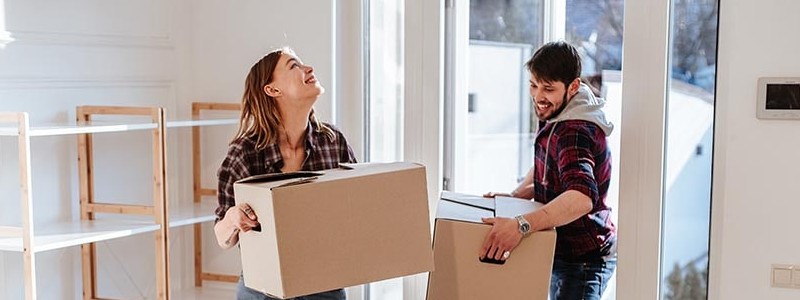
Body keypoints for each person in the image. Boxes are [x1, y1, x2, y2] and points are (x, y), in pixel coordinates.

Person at [214, 47, 356, 300]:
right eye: (294, 66)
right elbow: (222, 237)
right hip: (263, 289)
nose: (308, 69)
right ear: (272, 90)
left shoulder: (333, 142)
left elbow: (355, 207)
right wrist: (234, 219)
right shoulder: (245, 151)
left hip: (324, 287)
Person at [480, 41, 616, 300]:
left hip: (583, 262)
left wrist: (519, 225)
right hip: (559, 249)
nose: (538, 96)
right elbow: (549, 166)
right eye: (534, 85)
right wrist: (518, 195)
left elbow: (581, 197)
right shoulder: (559, 112)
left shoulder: (574, 131)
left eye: (548, 88)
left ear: (573, 86)